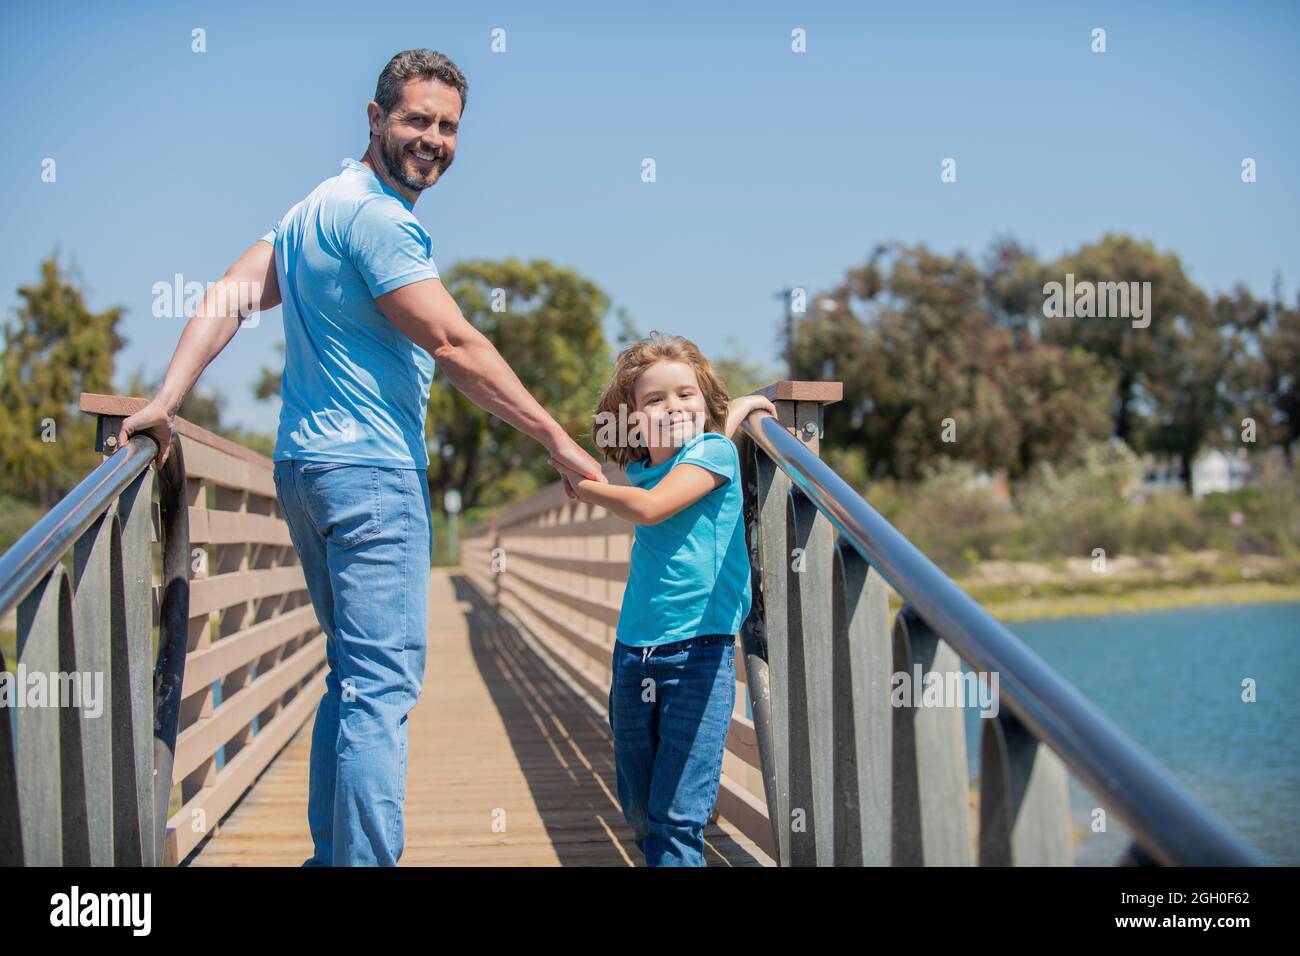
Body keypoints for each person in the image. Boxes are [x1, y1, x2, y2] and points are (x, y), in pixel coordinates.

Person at [116, 49, 606, 866]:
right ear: (375, 119)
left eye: (448, 127)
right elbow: (454, 342)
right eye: (417, 119)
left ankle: (332, 857)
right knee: (380, 689)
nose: (434, 140)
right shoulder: (378, 219)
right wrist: (557, 439)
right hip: (372, 474)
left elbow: (231, 297)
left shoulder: (314, 209)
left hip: (303, 472)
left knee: (353, 677)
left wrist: (169, 396)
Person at [549, 331, 775, 865]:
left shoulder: (714, 453)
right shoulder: (641, 468)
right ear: (630, 417)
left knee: (677, 816)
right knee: (638, 805)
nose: (673, 407)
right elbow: (665, 465)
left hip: (698, 654)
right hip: (634, 652)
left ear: (705, 402)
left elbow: (651, 508)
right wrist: (730, 413)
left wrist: (585, 485)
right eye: (655, 399)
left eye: (685, 394)